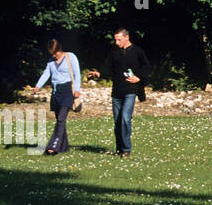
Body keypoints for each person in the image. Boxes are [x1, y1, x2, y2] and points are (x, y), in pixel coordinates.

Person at [86, 28, 151, 158]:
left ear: (127, 37)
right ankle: (120, 148)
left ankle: (126, 149)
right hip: (116, 92)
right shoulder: (114, 53)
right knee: (117, 121)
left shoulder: (138, 51)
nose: (116, 42)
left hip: (131, 91)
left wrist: (139, 78)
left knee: (125, 119)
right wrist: (98, 73)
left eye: (119, 39)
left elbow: (147, 67)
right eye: (115, 39)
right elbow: (107, 67)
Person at [32, 39, 82, 155]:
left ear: (60, 49)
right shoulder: (51, 61)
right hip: (55, 92)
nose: (54, 56)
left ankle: (53, 147)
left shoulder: (71, 57)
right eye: (52, 54)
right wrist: (38, 86)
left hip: (67, 91)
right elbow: (46, 74)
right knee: (60, 120)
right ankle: (64, 147)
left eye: (56, 53)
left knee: (61, 119)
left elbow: (77, 73)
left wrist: (77, 89)